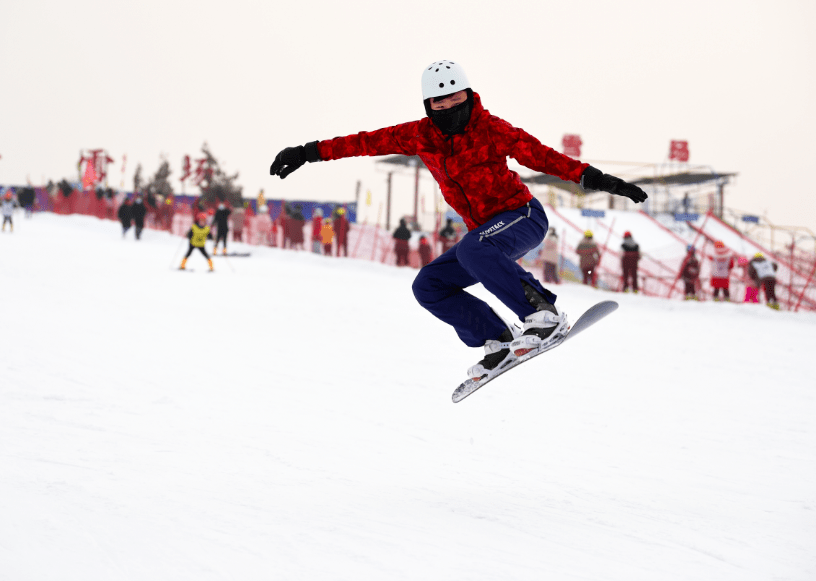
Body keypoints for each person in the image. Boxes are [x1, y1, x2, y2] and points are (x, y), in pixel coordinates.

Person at [269, 60, 647, 380]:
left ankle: (542, 313)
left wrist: (600, 180)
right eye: (440, 99)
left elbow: (545, 157)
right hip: (483, 238)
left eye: (456, 96)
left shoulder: (492, 129)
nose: (449, 105)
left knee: (473, 248)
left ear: (468, 94)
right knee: (429, 285)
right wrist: (307, 152)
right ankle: (497, 339)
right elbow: (365, 141)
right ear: (429, 104)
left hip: (523, 216)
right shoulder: (420, 136)